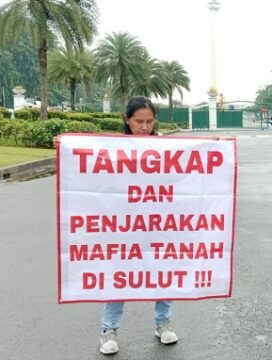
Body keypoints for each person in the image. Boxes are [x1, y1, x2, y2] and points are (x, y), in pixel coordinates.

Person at [99, 96, 177, 355]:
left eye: (149, 121)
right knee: (119, 274)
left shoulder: (166, 146)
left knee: (163, 271)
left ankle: (163, 323)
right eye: (138, 122)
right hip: (124, 224)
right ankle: (108, 330)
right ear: (127, 120)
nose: (144, 127)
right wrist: (65, 148)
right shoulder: (113, 148)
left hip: (158, 221)